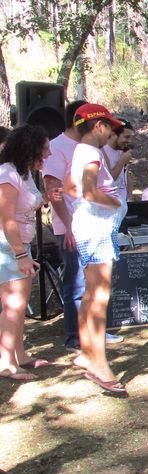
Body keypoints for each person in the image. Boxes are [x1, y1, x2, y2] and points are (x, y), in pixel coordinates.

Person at [68, 104, 126, 393]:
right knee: (100, 297)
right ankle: (99, 364)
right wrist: (115, 202)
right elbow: (89, 191)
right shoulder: (91, 153)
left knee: (91, 295)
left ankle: (87, 352)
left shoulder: (80, 151)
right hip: (97, 230)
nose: (111, 133)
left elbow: (69, 188)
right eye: (109, 127)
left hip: (89, 228)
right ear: (98, 126)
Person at [0, 126, 51, 380]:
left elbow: (28, 204)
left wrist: (47, 196)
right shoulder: (7, 174)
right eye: (45, 149)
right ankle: (6, 363)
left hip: (21, 246)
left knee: (19, 307)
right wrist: (20, 255)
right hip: (9, 248)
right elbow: (7, 218)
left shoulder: (25, 174)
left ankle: (19, 355)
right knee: (13, 306)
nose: (48, 154)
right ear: (29, 149)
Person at [102, 118, 134, 215]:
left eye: (130, 137)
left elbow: (126, 176)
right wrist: (122, 161)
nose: (129, 141)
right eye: (126, 137)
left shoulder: (122, 151)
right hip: (109, 208)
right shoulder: (103, 152)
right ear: (113, 135)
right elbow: (110, 179)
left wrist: (129, 197)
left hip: (123, 206)